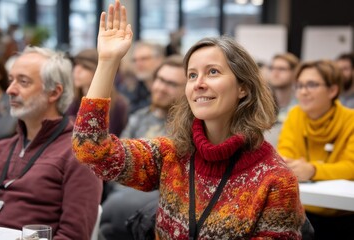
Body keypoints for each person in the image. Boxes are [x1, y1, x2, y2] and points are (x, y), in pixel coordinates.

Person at [72, 1, 305, 239]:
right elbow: (91, 149)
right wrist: (108, 62)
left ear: (243, 87)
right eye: (192, 75)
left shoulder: (274, 179)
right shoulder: (172, 154)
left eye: (213, 72)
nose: (198, 83)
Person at [0, 46, 102, 240]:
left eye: (23, 82)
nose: (10, 90)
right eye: (11, 80)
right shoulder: (1, 149)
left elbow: (72, 236)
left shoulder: (78, 154)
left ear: (53, 93)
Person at [100, 54, 186, 240]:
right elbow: (115, 163)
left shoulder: (186, 130)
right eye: (160, 80)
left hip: (153, 206)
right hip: (120, 197)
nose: (161, 88)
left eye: (171, 84)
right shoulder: (138, 117)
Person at [277, 59, 354, 239]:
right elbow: (284, 157)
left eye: (311, 85)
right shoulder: (295, 115)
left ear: (332, 90)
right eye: (300, 85)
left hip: (344, 214)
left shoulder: (350, 120)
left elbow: (351, 167)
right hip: (301, 214)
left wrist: (312, 169)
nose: (303, 92)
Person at [66, 48, 128, 137]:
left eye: (84, 67)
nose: (77, 71)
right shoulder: (72, 100)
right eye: (75, 65)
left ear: (97, 71)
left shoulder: (118, 104)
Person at [117, 41, 164, 114]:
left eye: (144, 59)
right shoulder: (129, 90)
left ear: (159, 60)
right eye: (135, 60)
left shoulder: (169, 88)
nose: (138, 64)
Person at [268, 53, 300, 123]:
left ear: (295, 72)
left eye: (281, 69)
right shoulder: (261, 101)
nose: (275, 73)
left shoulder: (302, 103)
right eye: (272, 68)